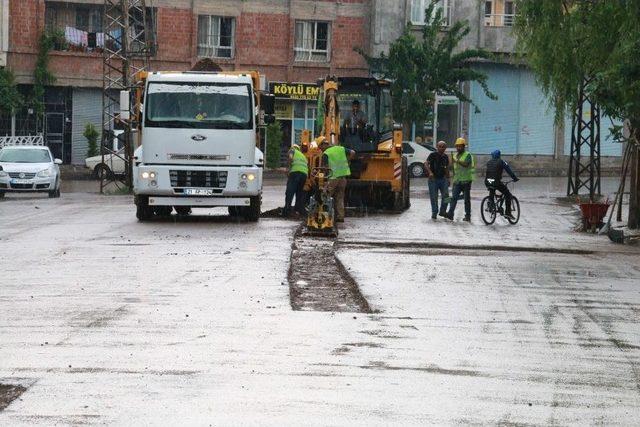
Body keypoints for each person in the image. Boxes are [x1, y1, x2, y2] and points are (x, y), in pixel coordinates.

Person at [322, 141, 356, 222]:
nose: (321, 149)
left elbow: (325, 168)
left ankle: (324, 215)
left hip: (333, 178)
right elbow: (353, 152)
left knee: (326, 195)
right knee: (340, 197)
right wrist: (348, 162)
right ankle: (340, 216)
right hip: (343, 178)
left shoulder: (326, 153)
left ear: (324, 145)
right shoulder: (341, 149)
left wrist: (324, 179)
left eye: (321, 147)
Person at [445, 137, 475, 222]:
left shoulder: (468, 155)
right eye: (457, 146)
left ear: (464, 146)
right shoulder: (455, 155)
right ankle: (450, 214)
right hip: (457, 181)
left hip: (466, 180)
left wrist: (457, 160)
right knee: (454, 198)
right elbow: (454, 168)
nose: (458, 148)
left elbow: (466, 164)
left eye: (460, 146)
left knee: (466, 200)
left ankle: (468, 216)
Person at [485, 149, 519, 219]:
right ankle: (508, 213)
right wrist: (514, 178)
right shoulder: (501, 162)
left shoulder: (489, 162)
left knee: (492, 189)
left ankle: (490, 205)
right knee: (508, 194)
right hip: (496, 182)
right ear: (499, 155)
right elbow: (509, 170)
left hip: (487, 182)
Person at [425, 141, 450, 219]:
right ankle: (434, 212)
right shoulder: (432, 155)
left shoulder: (446, 157)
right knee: (434, 197)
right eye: (440, 146)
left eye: (443, 147)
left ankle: (443, 211)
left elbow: (447, 168)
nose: (441, 148)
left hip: (443, 179)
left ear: (445, 148)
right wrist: (430, 172)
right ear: (437, 147)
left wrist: (448, 178)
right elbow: (426, 164)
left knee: (446, 197)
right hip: (433, 180)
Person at [282, 144, 308, 217]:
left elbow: (290, 158)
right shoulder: (303, 155)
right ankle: (298, 209)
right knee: (299, 193)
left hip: (295, 173)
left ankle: (287, 210)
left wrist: (288, 169)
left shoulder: (292, 150)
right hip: (304, 175)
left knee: (290, 191)